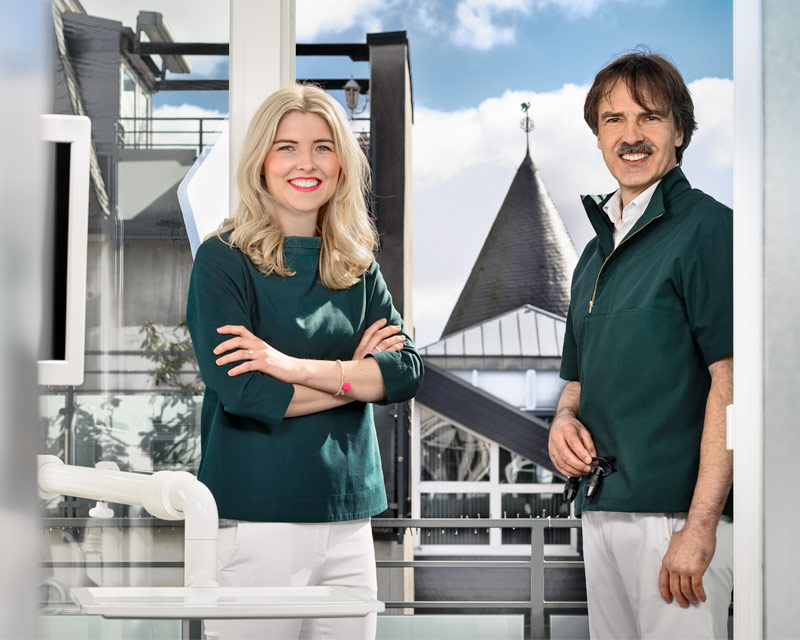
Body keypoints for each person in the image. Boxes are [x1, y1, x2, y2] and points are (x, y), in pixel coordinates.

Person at [186, 83, 423, 640]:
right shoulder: (222, 261)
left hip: (349, 518)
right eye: (286, 147)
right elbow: (243, 391)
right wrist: (355, 377)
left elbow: (406, 372)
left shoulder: (357, 265)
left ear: (342, 161)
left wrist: (290, 367)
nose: (306, 163)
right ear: (261, 162)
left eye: (323, 146)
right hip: (257, 518)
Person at [548, 50, 733, 639]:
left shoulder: (710, 230)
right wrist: (562, 421)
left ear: (680, 132)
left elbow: (733, 386)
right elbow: (577, 383)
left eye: (649, 118)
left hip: (677, 521)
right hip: (602, 513)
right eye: (613, 120)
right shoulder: (591, 257)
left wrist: (700, 525)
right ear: (597, 137)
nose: (631, 136)